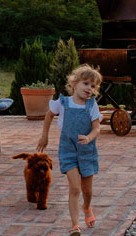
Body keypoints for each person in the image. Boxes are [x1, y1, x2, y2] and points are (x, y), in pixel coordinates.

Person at [37, 65, 102, 235]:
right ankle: (75, 225)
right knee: (75, 188)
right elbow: (49, 115)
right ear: (74, 83)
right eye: (86, 83)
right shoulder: (63, 103)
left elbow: (97, 128)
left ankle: (87, 207)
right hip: (68, 151)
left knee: (87, 191)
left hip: (87, 151)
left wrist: (89, 137)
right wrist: (44, 136)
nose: (89, 88)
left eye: (93, 86)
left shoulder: (91, 105)